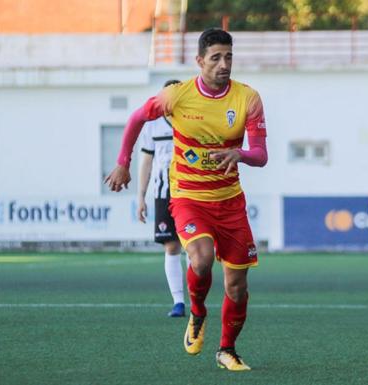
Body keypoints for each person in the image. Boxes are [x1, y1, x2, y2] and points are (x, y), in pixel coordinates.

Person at [105, 28, 268, 371]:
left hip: (230, 201)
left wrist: (239, 154)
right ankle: (196, 312)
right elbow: (136, 118)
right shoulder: (177, 96)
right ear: (199, 61)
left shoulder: (248, 98)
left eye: (229, 57)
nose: (224, 64)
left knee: (237, 286)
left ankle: (227, 349)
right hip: (189, 196)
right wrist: (123, 163)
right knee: (201, 258)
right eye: (216, 58)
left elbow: (261, 154)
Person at [137, 79, 187, 318]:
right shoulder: (153, 125)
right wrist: (140, 196)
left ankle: (198, 300)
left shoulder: (192, 122)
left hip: (191, 191)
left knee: (197, 246)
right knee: (171, 245)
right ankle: (178, 302)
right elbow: (146, 161)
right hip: (162, 193)